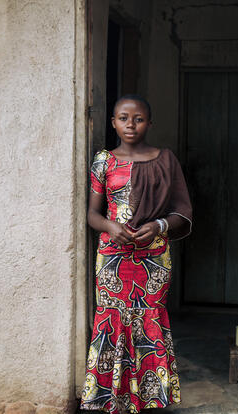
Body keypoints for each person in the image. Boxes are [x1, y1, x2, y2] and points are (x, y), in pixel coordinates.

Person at [80, 95, 192, 413]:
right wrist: (110, 226)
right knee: (113, 320)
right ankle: (111, 398)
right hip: (113, 257)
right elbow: (92, 214)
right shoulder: (104, 161)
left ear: (150, 123)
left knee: (149, 319)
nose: (131, 124)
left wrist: (158, 225)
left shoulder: (165, 159)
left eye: (139, 118)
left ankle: (150, 398)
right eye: (124, 118)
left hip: (154, 256)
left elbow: (181, 211)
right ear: (113, 122)